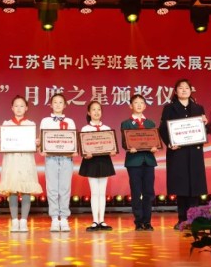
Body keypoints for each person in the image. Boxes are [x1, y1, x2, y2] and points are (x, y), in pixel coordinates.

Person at [159, 79, 208, 230]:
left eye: (187, 88)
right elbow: (163, 129)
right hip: (178, 151)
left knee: (195, 186)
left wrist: (204, 124)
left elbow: (202, 131)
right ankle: (182, 219)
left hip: (194, 152)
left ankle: (194, 220)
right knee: (181, 186)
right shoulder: (169, 108)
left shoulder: (198, 108)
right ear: (176, 91)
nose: (184, 90)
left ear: (191, 90)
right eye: (181, 88)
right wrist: (170, 143)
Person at [0, 96, 43, 232]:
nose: (19, 108)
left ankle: (24, 221)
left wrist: (37, 144)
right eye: (16, 106)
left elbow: (35, 146)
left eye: (22, 106)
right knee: (12, 190)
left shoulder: (30, 124)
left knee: (26, 190)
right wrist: (0, 144)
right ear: (12, 108)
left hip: (26, 160)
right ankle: (14, 221)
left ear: (26, 108)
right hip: (11, 161)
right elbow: (2, 146)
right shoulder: (6, 124)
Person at [120, 94, 159, 231]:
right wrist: (129, 147)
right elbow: (124, 142)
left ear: (145, 106)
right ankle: (138, 221)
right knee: (136, 192)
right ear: (130, 106)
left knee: (149, 192)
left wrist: (155, 147)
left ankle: (147, 221)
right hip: (134, 161)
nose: (138, 105)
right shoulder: (126, 123)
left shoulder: (150, 123)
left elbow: (155, 140)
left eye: (141, 102)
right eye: (136, 103)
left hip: (148, 160)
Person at [40, 93, 77, 232]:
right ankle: (55, 218)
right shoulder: (45, 121)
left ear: (65, 105)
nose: (57, 105)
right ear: (51, 105)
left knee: (65, 188)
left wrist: (74, 149)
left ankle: (65, 218)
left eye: (60, 102)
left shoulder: (70, 121)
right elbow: (42, 138)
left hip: (66, 158)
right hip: (51, 158)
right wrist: (41, 148)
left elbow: (73, 139)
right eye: (55, 102)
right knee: (52, 189)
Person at [79, 101, 116, 232]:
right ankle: (95, 220)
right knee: (94, 192)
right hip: (91, 162)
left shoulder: (107, 128)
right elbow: (82, 148)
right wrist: (85, 154)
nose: (96, 112)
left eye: (99, 109)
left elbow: (111, 145)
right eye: (93, 109)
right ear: (89, 112)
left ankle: (102, 220)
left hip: (104, 161)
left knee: (102, 192)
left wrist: (112, 150)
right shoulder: (85, 129)